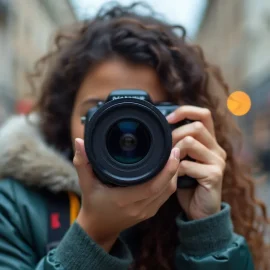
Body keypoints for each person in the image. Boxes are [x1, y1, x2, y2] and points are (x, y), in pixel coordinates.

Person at [0, 2, 268, 269]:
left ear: (178, 121)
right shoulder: (14, 205)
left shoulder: (187, 196)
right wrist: (94, 233)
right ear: (64, 117)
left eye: (145, 115)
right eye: (98, 112)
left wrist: (208, 232)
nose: (122, 131)